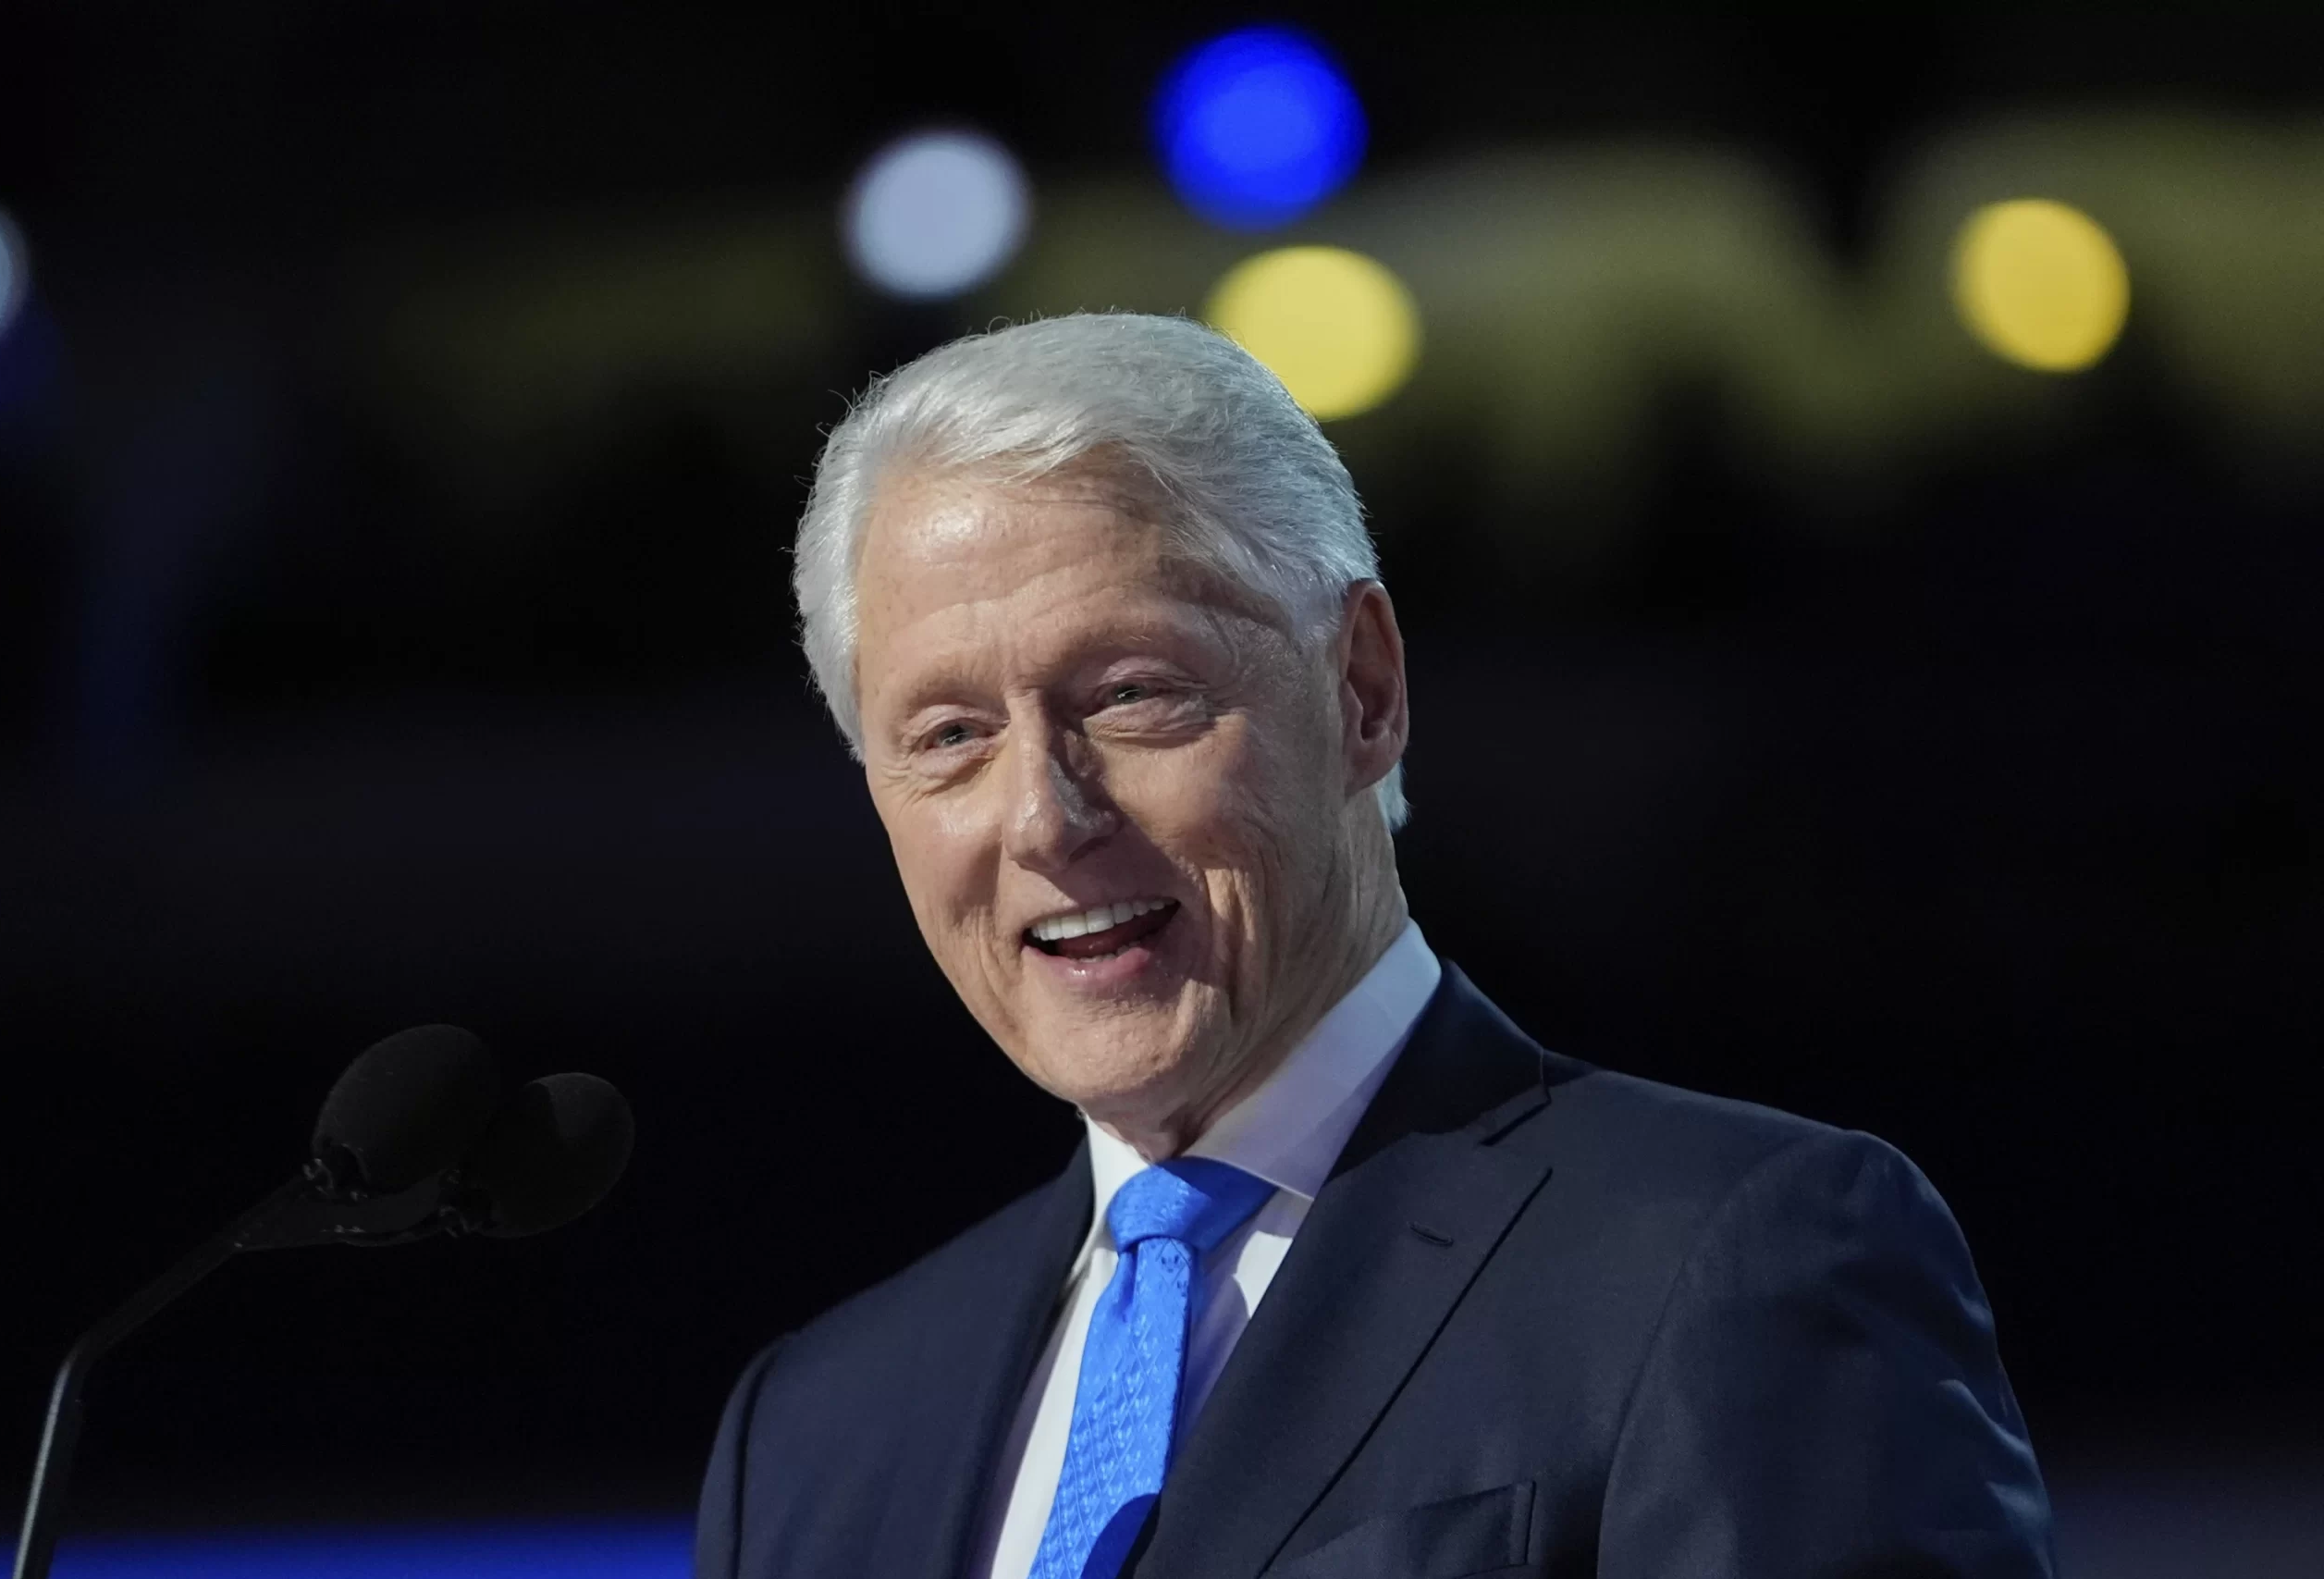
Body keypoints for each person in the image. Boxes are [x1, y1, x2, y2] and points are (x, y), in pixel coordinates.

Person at [695, 313, 2055, 1579]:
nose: (1046, 816)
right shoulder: (812, 1433)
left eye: (1132, 693)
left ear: (1363, 688)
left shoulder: (1730, 1265)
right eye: (947, 737)